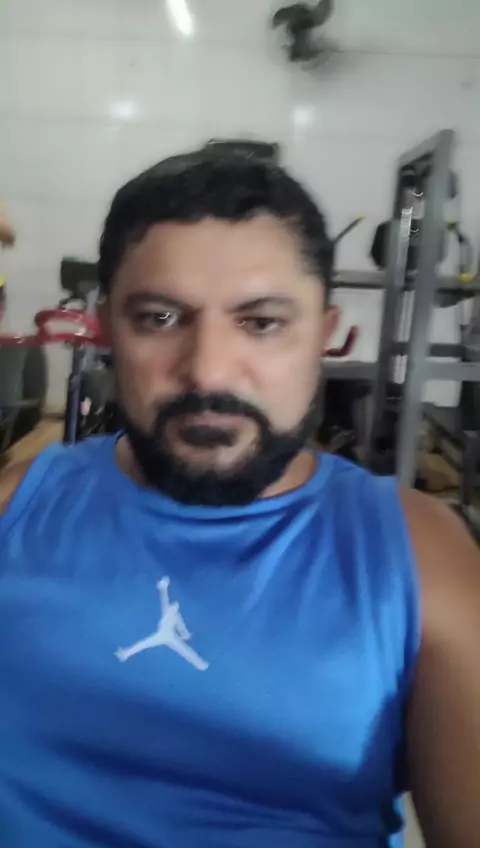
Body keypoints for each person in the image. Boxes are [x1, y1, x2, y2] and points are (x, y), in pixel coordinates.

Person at [0, 149, 479, 848]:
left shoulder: (421, 558)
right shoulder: (15, 508)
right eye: (160, 317)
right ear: (106, 328)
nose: (208, 371)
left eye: (261, 322)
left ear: (323, 335)